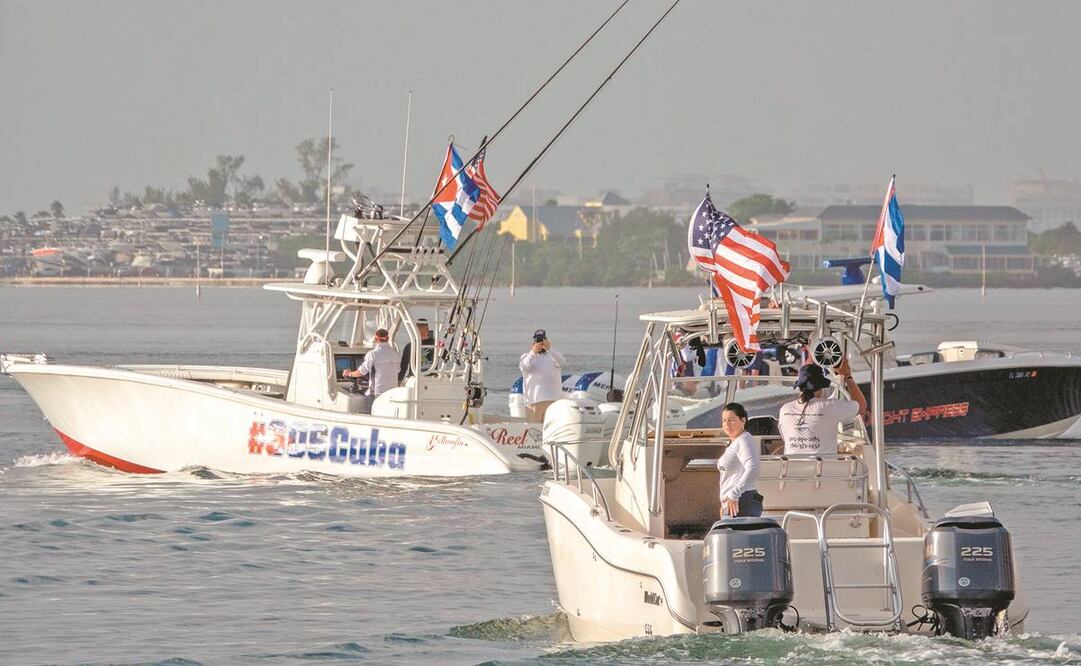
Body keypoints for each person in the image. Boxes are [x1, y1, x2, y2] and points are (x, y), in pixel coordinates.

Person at [778, 357, 869, 456]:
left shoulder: (785, 409)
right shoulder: (827, 407)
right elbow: (861, 406)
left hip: (791, 465)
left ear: (800, 387)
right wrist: (848, 376)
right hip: (823, 466)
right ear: (821, 387)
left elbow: (787, 438)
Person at [717, 402, 762, 518]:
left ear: (743, 420)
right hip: (734, 501)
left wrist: (733, 494)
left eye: (732, 420)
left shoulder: (743, 440)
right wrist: (725, 503)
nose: (727, 424)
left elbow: (753, 468)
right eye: (724, 420)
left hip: (742, 501)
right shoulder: (736, 442)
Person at [519, 329, 565, 423]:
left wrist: (549, 349)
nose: (540, 343)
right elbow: (523, 367)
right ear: (533, 343)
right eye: (538, 341)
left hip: (554, 401)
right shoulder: (526, 356)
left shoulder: (553, 356)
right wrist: (533, 352)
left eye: (542, 340)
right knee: (534, 429)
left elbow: (562, 362)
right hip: (534, 401)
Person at [344, 328, 401, 400]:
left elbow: (361, 373)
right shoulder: (396, 354)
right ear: (388, 338)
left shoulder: (372, 354)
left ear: (376, 339)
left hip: (377, 394)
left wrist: (349, 374)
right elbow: (398, 371)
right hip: (392, 394)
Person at [399, 318, 435, 382]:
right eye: (420, 328)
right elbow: (403, 367)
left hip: (431, 379)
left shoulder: (435, 345)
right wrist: (399, 380)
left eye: (423, 328)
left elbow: (445, 356)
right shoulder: (410, 346)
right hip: (414, 379)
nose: (422, 331)